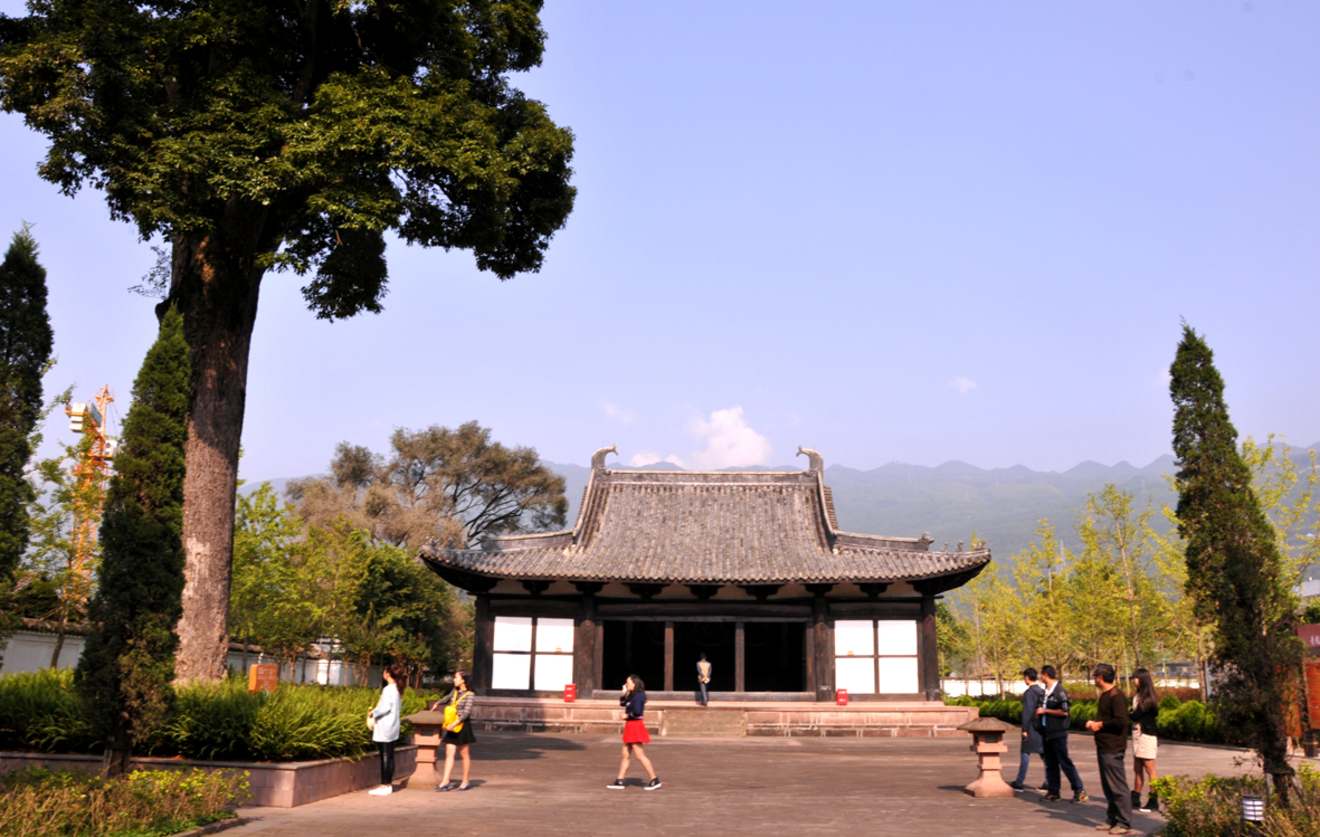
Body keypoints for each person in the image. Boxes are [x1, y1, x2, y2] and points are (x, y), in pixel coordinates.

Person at [1085, 663, 1133, 835]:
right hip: (1104, 745)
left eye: (1094, 676)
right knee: (1108, 786)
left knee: (1118, 786)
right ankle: (1112, 819)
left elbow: (1121, 721)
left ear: (1100, 677)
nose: (1093, 679)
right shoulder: (1106, 695)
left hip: (1113, 747)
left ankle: (1124, 823)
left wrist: (1099, 724)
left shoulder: (1116, 696)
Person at [1035, 665, 1088, 804]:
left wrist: (1045, 711)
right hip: (1047, 731)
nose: (1041, 677)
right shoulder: (1046, 691)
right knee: (1050, 763)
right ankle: (1053, 791)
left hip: (1058, 732)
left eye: (1042, 674)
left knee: (1064, 761)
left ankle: (1079, 790)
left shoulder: (1060, 691)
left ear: (1046, 675)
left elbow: (1064, 711)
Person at [607, 675, 661, 790]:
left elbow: (637, 712)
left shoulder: (639, 695)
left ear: (635, 683)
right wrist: (623, 694)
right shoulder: (632, 695)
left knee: (639, 755)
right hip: (630, 725)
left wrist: (627, 716)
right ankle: (620, 780)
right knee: (625, 754)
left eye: (629, 683)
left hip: (635, 725)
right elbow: (623, 704)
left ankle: (654, 779)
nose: (627, 685)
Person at [434, 669, 477, 792]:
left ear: (463, 680)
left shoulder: (470, 694)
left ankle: (465, 781)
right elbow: (447, 698)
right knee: (449, 752)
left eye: (456, 677)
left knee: (464, 753)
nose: (454, 679)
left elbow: (466, 713)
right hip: (452, 725)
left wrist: (454, 724)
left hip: (462, 725)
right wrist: (438, 703)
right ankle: (445, 780)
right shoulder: (455, 691)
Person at [367, 662, 404, 796]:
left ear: (387, 674)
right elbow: (398, 707)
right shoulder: (397, 689)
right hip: (393, 726)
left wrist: (373, 713)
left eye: (384, 671)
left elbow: (384, 708)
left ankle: (384, 785)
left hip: (385, 726)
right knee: (390, 756)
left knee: (385, 756)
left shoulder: (388, 689)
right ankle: (388, 785)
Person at [1009, 667, 1045, 791]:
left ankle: (1019, 782)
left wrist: (1025, 729)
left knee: (1025, 753)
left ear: (1027, 678)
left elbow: (1027, 712)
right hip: (1041, 728)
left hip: (1031, 728)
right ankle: (1049, 781)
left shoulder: (1029, 693)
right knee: (1044, 754)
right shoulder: (1042, 691)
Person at [1129, 668, 1160, 813]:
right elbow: (1134, 714)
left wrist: (1131, 713)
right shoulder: (1138, 696)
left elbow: (1135, 715)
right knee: (1137, 769)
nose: (1134, 681)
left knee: (1149, 769)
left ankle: (1153, 799)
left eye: (1136, 678)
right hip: (1137, 735)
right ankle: (1135, 797)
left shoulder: (1148, 698)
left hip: (1146, 735)